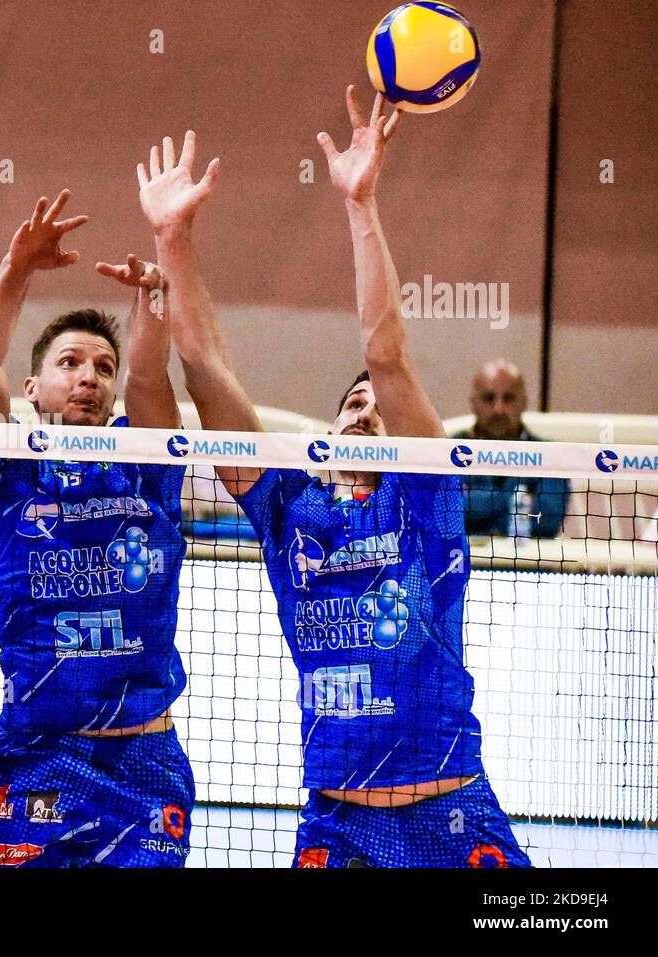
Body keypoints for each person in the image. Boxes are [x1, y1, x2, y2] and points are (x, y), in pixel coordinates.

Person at [148, 106, 528, 867]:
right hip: (338, 825)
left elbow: (385, 354)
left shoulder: (426, 500)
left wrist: (360, 204)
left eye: (379, 409)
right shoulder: (294, 511)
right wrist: (173, 240)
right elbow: (202, 369)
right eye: (352, 404)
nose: (367, 411)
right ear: (325, 435)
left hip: (451, 814)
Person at [0, 189, 193, 867]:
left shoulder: (143, 462)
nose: (89, 377)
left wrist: (152, 298)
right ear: (31, 389)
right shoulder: (6, 473)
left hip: (140, 764)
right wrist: (17, 267)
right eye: (69, 363)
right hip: (34, 757)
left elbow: (152, 376)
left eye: (103, 368)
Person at [451, 359, 569, 538]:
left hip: (528, 563)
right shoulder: (450, 451)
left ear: (524, 402)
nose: (499, 409)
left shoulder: (550, 456)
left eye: (509, 398)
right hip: (462, 560)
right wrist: (517, 500)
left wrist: (473, 502)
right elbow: (446, 515)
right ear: (473, 402)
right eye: (489, 398)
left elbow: (546, 523)